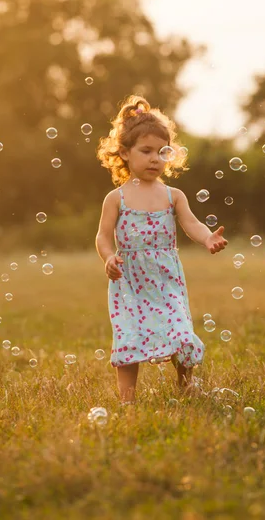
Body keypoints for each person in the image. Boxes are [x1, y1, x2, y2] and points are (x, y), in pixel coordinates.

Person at [95, 95, 228, 404]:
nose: (155, 158)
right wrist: (109, 258)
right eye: (146, 151)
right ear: (126, 153)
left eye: (162, 152)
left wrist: (208, 238)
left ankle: (186, 385)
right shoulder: (117, 198)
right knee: (129, 340)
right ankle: (127, 401)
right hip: (129, 280)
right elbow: (102, 237)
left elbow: (192, 223)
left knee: (180, 334)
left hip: (166, 279)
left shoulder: (173, 195)